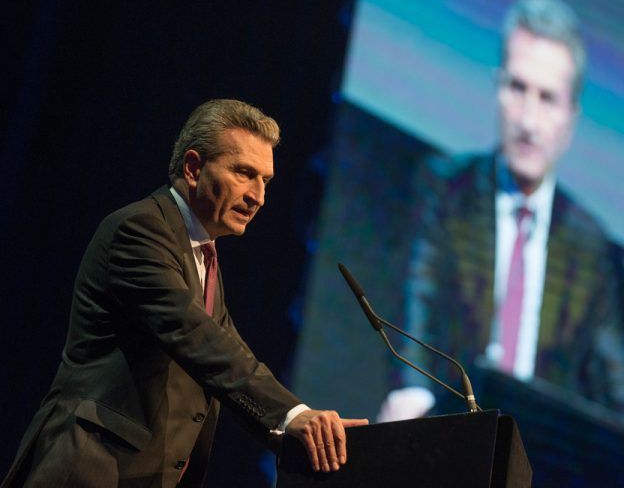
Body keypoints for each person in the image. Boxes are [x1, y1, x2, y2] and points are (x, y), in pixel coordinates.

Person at [2, 99, 367, 488]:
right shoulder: (140, 230)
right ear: (193, 168)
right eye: (244, 173)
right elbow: (201, 341)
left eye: (266, 181)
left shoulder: (204, 256)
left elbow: (227, 355)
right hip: (89, 468)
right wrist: (292, 414)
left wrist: (293, 431)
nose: (258, 196)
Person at [378, 0, 624, 434]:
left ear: (571, 116)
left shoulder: (586, 242)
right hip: (444, 434)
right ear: (497, 87)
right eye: (518, 88)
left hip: (531, 456)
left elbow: (615, 385)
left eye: (547, 98)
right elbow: (419, 303)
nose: (528, 119)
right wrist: (411, 391)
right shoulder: (448, 189)